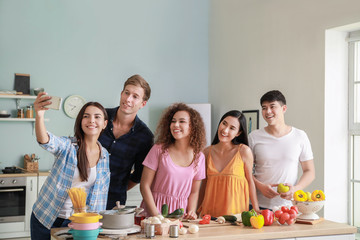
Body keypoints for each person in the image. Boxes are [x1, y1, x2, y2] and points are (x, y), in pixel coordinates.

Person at [30, 92, 110, 240]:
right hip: (47, 217)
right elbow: (45, 140)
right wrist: (39, 115)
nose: (91, 120)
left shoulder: (104, 156)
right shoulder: (68, 146)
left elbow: (100, 196)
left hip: (79, 222)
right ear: (80, 121)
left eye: (97, 116)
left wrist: (95, 224)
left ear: (104, 123)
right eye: (86, 116)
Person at [249, 90, 315, 209]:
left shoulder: (300, 136)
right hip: (258, 207)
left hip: (288, 207)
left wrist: (295, 189)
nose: (268, 111)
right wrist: (260, 186)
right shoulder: (254, 137)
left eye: (272, 106)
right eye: (264, 108)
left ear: (284, 108)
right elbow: (244, 171)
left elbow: (310, 171)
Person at [140, 103, 206, 220]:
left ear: (193, 126)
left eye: (182, 121)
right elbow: (144, 186)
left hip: (181, 215)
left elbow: (194, 192)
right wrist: (157, 216)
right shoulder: (159, 150)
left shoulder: (199, 157)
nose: (175, 125)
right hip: (153, 211)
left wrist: (191, 211)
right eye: (173, 121)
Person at [98, 74, 154, 209]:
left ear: (143, 104)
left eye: (135, 96)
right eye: (126, 93)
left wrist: (118, 187)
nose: (128, 99)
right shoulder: (99, 116)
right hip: (83, 197)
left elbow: (138, 175)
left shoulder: (145, 137)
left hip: (114, 203)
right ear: (121, 93)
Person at [197, 110, 260, 217]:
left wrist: (256, 208)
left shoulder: (244, 151)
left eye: (232, 128)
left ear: (238, 133)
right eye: (224, 123)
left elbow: (250, 181)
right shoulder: (207, 152)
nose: (225, 130)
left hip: (235, 216)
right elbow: (204, 184)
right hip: (209, 216)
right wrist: (196, 211)